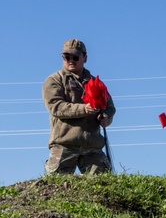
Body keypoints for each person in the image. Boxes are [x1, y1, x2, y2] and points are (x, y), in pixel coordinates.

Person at [42, 39, 115, 174]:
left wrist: (106, 117)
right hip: (64, 144)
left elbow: (109, 106)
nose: (71, 60)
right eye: (66, 57)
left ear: (85, 58)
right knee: (56, 184)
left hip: (92, 146)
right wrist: (84, 109)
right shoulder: (55, 80)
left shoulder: (95, 82)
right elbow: (55, 106)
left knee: (103, 183)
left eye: (75, 57)